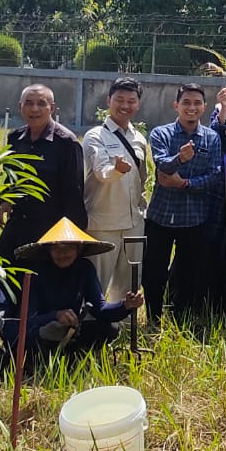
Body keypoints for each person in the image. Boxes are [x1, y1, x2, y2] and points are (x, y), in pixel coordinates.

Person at [4, 218, 142, 357]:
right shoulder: (36, 273)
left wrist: (125, 305)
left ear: (79, 248)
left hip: (71, 332)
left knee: (110, 328)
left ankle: (72, 355)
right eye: (56, 248)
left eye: (68, 248)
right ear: (48, 250)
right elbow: (27, 320)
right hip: (41, 334)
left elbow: (99, 309)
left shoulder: (85, 268)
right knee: (41, 334)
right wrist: (55, 316)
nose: (62, 254)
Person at [145, 83, 224, 321]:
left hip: (194, 218)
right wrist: (180, 158)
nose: (192, 108)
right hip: (161, 215)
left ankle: (182, 316)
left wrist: (185, 184)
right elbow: (162, 167)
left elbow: (215, 175)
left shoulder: (212, 138)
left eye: (197, 103)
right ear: (176, 105)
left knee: (190, 272)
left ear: (204, 107)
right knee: (154, 271)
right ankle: (153, 316)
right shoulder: (161, 133)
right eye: (186, 103)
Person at [0, 84, 87, 262]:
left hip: (50, 229)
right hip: (18, 223)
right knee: (5, 274)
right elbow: (10, 176)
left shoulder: (66, 143)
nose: (34, 109)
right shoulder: (15, 139)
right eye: (28, 103)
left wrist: (68, 239)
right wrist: (5, 200)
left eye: (41, 104)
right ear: (20, 107)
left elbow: (74, 194)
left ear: (52, 108)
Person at [80, 77, 151, 299]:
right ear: (108, 100)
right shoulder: (95, 136)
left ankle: (121, 325)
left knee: (129, 280)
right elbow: (102, 173)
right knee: (97, 280)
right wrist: (117, 170)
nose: (125, 106)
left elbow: (143, 178)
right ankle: (93, 325)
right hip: (104, 221)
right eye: (119, 99)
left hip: (134, 223)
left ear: (138, 104)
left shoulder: (139, 138)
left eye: (131, 101)